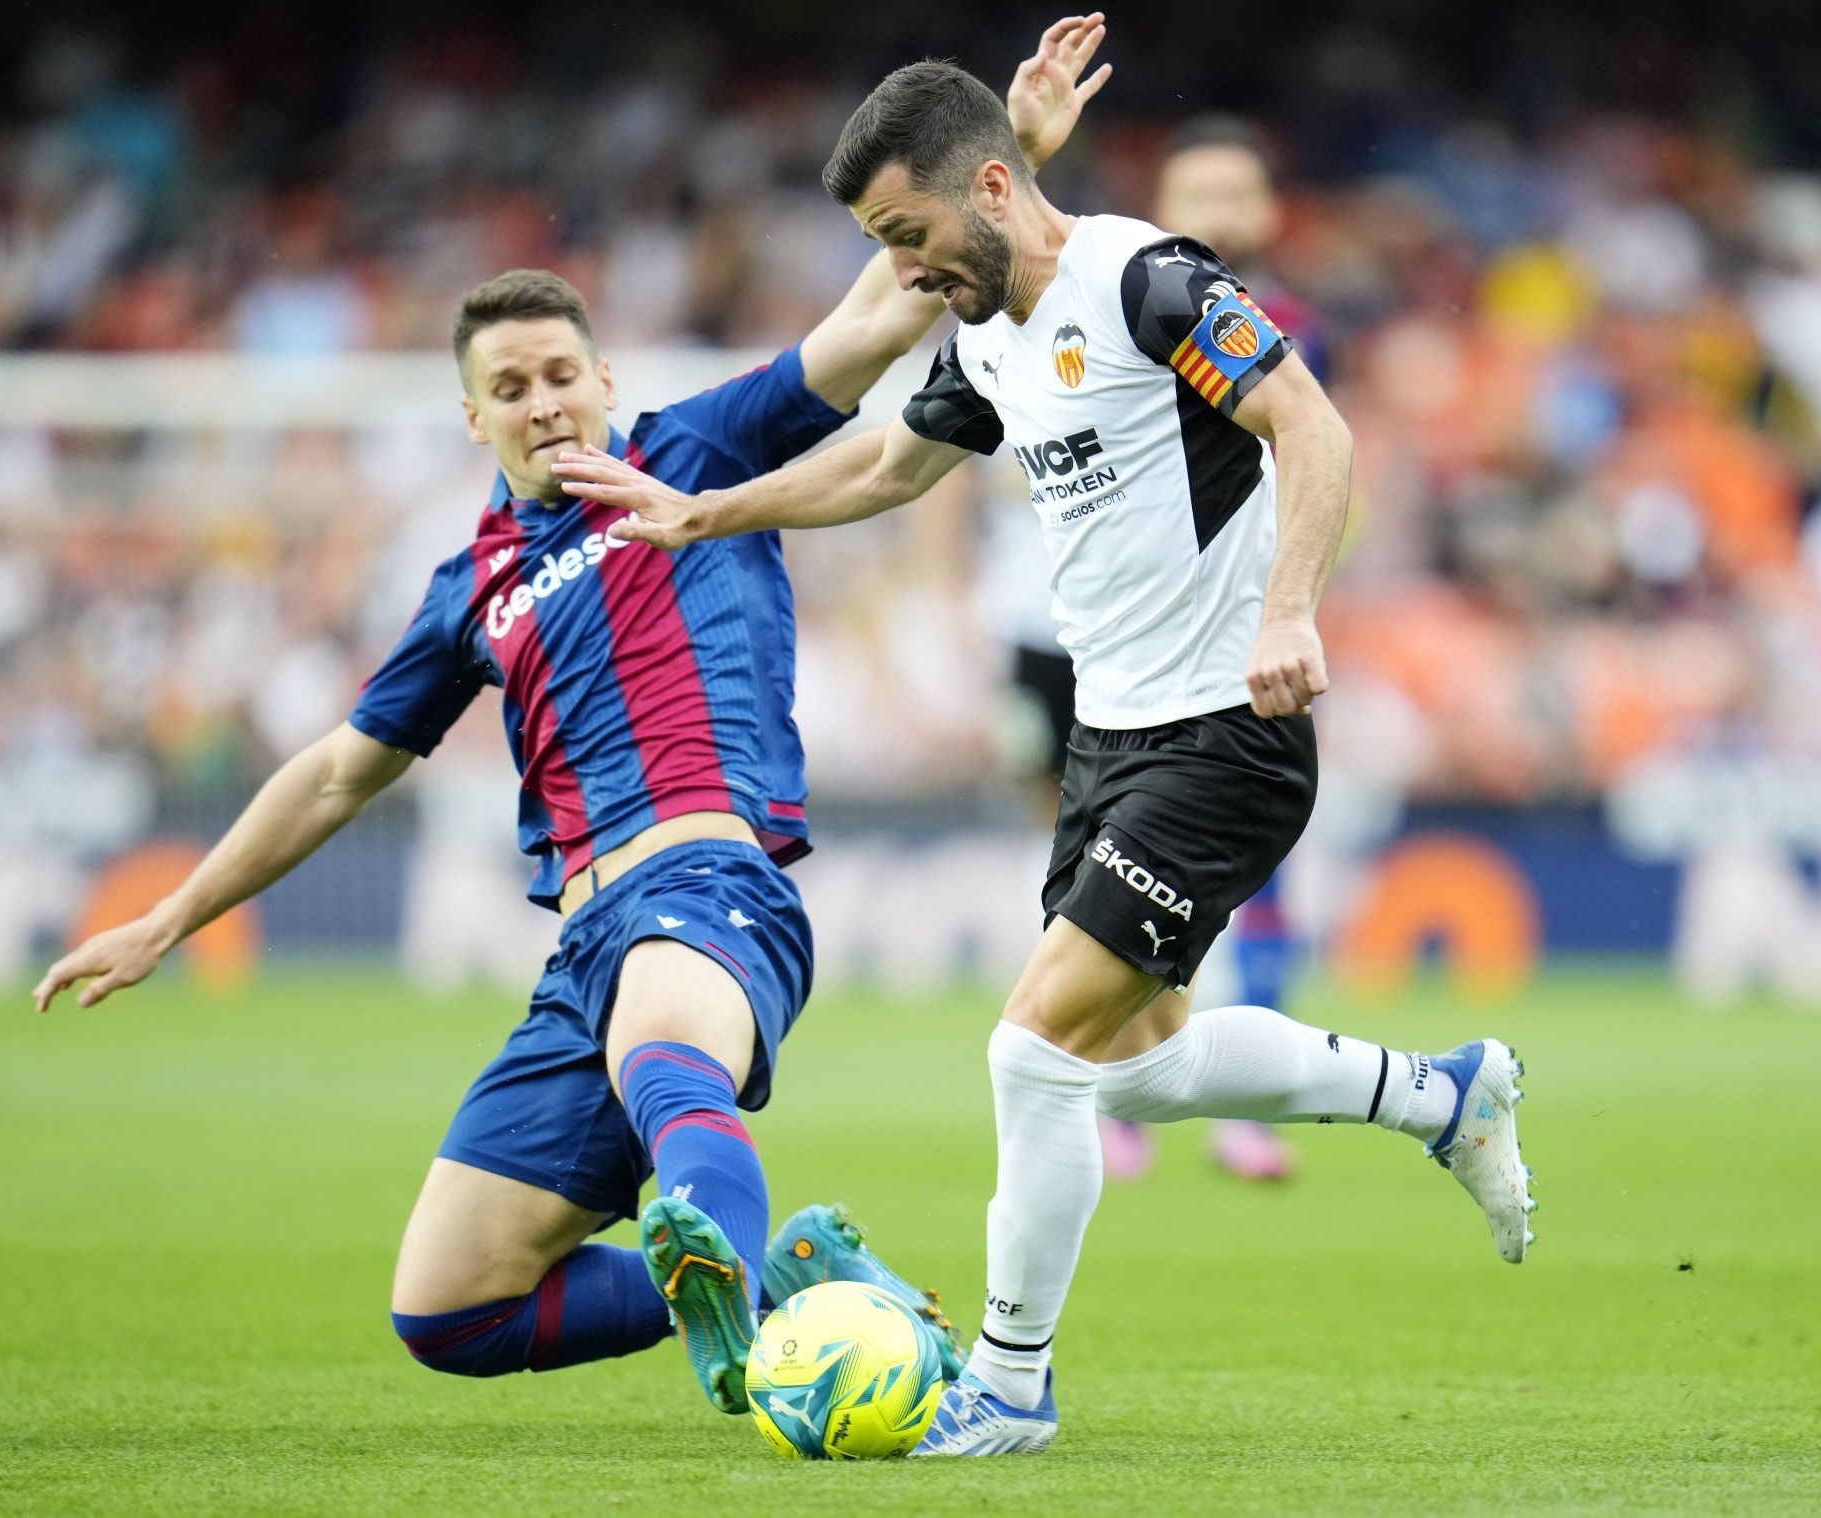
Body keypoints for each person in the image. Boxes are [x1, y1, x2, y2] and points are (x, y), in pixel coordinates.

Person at [30, 17, 1112, 1422]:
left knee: (670, 1059)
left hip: (710, 886)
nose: (544, 406)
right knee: (450, 1306)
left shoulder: (694, 452)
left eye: (561, 376)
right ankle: (795, 1291)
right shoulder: (463, 592)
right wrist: (169, 917)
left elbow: (876, 316)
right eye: (511, 390)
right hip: (579, 952)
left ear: (605, 380)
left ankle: (746, 1309)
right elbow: (332, 777)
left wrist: (1007, 149)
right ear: (469, 415)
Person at [554, 53, 1537, 1457]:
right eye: (883, 246)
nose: (902, 271)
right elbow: (885, 465)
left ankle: (1010, 1384)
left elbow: (1312, 424)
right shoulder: (991, 335)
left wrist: (1287, 609)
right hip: (1110, 741)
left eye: (907, 236)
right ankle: (1445, 1094)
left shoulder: (1148, 285)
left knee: (1029, 1049)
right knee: (1134, 1067)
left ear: (996, 187)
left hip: (1226, 734)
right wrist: (706, 510)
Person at [1100, 113, 1336, 1184]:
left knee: (1253, 867)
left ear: (1268, 211)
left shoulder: (1290, 329)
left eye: (1236, 194)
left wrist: (1298, 597)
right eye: (1198, 194)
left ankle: (1243, 1109)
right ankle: (1132, 1102)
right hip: (1132, 630)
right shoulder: (1124, 311)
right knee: (1115, 865)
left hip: (1255, 621)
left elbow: (1316, 455)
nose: (1218, 215)